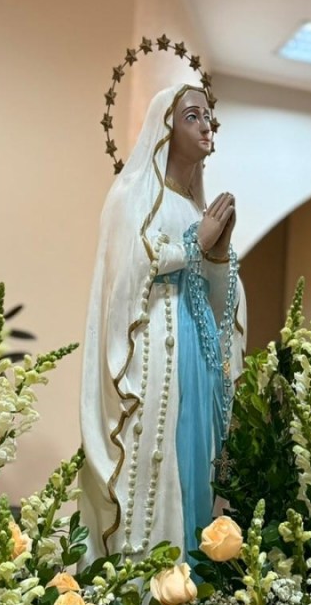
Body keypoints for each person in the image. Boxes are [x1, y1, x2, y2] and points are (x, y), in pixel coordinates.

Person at [80, 83, 246, 561]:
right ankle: (143, 576)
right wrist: (197, 244)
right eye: (192, 116)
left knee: (196, 457)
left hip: (196, 349)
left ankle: (189, 572)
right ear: (166, 127)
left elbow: (218, 294)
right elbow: (129, 267)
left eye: (208, 117)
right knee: (155, 454)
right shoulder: (132, 194)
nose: (206, 126)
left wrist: (216, 255)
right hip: (154, 350)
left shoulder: (195, 206)